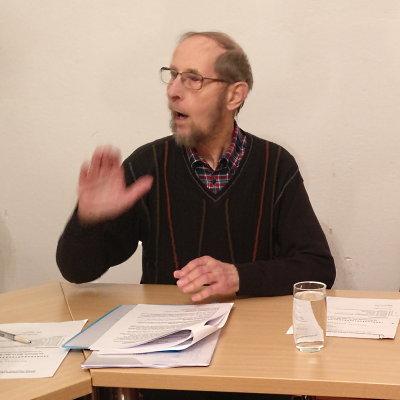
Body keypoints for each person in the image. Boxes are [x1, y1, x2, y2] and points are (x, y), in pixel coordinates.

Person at [57, 31, 335, 400]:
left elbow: (318, 268)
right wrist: (89, 220)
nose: (173, 91)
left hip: (256, 368)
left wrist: (238, 277)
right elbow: (77, 271)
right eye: (172, 75)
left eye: (192, 79)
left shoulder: (275, 164)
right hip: (166, 375)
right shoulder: (148, 164)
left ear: (234, 95)